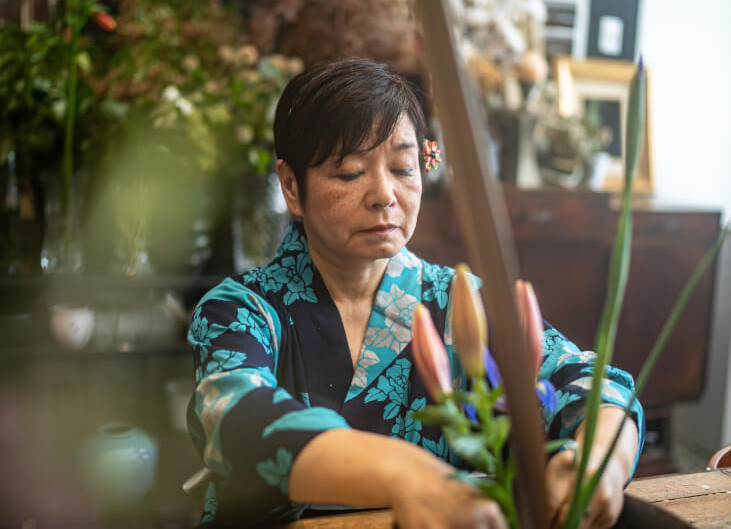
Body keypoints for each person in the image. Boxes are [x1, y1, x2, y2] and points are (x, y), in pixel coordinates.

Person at [187, 57, 644, 528]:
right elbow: (236, 417)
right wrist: (406, 474)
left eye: (403, 168)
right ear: (291, 187)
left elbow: (590, 385)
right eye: (349, 173)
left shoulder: (464, 303)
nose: (384, 194)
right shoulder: (238, 311)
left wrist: (600, 462)